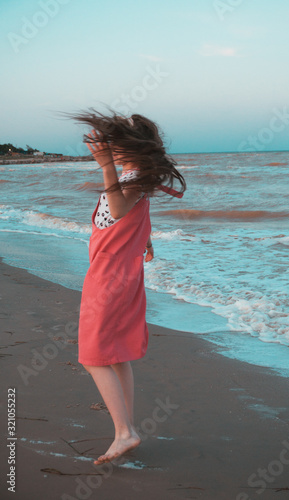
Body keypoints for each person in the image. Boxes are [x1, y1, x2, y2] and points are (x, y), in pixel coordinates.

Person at [69, 108, 186, 465]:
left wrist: (105, 166)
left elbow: (119, 210)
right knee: (116, 353)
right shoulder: (137, 177)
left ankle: (125, 432)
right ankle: (126, 429)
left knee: (92, 355)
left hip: (108, 279)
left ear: (128, 149)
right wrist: (146, 241)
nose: (110, 150)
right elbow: (134, 217)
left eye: (113, 146)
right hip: (121, 274)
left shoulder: (131, 178)